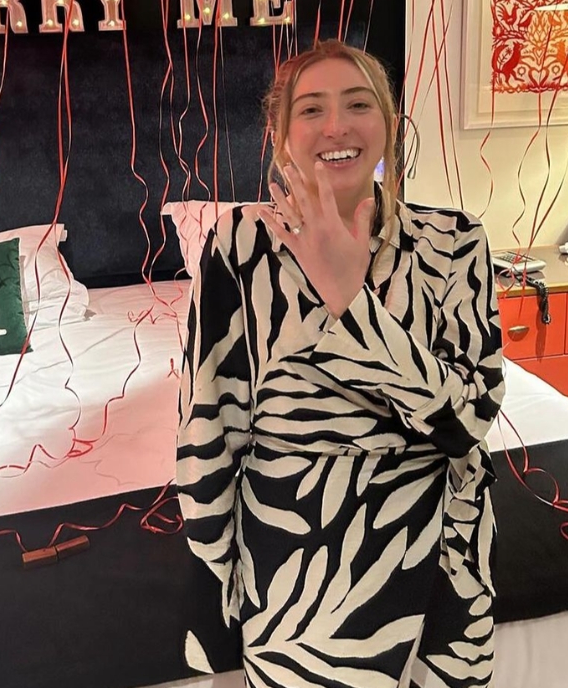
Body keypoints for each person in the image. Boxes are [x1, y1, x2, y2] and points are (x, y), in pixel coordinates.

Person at [176, 40, 505, 688]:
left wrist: (351, 300)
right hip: (298, 568)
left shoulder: (455, 241)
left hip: (442, 554)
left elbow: (470, 419)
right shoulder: (239, 246)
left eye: (358, 105)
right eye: (311, 109)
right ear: (279, 135)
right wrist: (215, 608)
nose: (336, 126)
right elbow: (207, 436)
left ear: (388, 123)